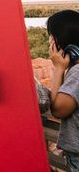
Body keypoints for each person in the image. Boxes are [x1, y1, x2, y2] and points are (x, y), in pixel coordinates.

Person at [37, 10, 79, 170]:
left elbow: (58, 109)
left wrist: (59, 68)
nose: (49, 42)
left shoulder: (77, 73)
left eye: (51, 37)